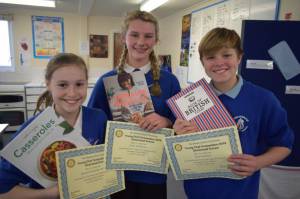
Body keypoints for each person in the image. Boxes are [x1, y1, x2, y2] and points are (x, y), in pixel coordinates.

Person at [173, 27, 294, 199]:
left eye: (226, 55)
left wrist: (258, 162)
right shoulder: (189, 101)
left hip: (241, 192)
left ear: (239, 57)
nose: (219, 62)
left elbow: (284, 145)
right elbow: (182, 152)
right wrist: (179, 136)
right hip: (197, 191)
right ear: (203, 62)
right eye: (210, 57)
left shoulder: (263, 99)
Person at [88, 10, 181, 199]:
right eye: (134, 35)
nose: (141, 42)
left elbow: (182, 122)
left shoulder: (170, 81)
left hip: (153, 170)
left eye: (148, 36)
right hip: (119, 171)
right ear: (124, 38)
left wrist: (166, 121)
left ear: (156, 40)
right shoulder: (107, 81)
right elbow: (93, 124)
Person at [0, 53, 107, 199]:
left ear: (87, 83)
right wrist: (51, 193)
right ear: (48, 84)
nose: (72, 93)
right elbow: (3, 191)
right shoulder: (30, 131)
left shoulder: (98, 118)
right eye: (62, 85)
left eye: (79, 84)